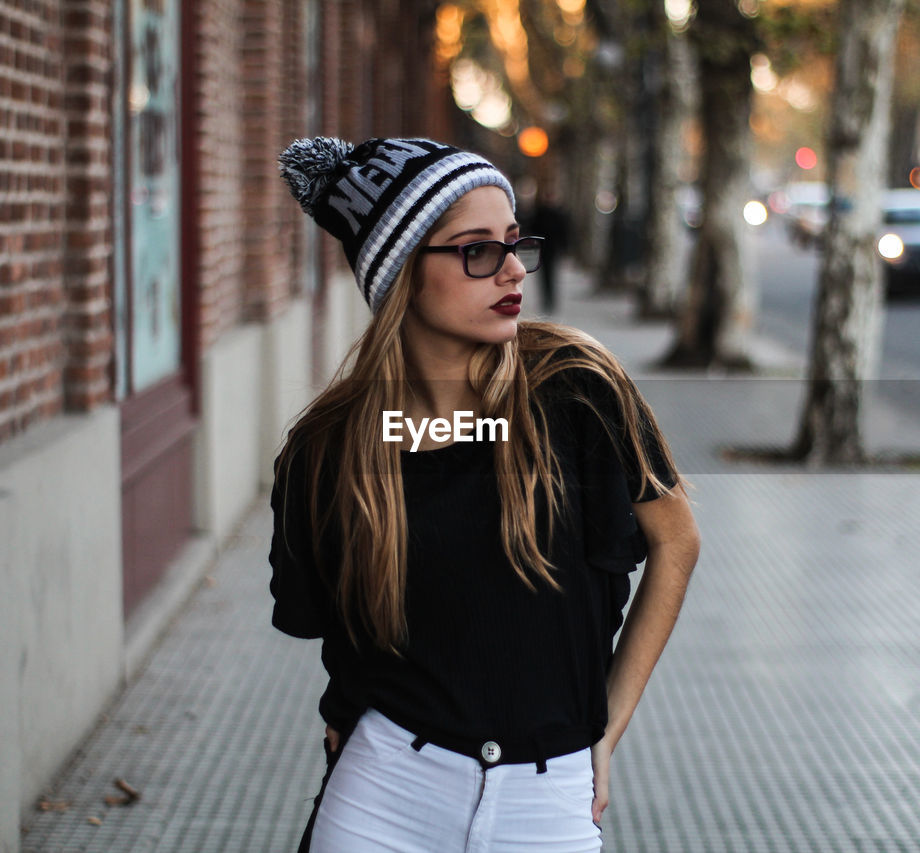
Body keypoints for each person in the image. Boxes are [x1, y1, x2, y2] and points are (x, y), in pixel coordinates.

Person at [269, 136, 700, 853]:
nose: (510, 269)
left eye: (512, 242)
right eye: (475, 250)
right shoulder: (329, 447)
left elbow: (676, 540)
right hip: (385, 791)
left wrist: (607, 726)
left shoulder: (577, 389)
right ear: (402, 273)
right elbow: (340, 634)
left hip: (548, 794)